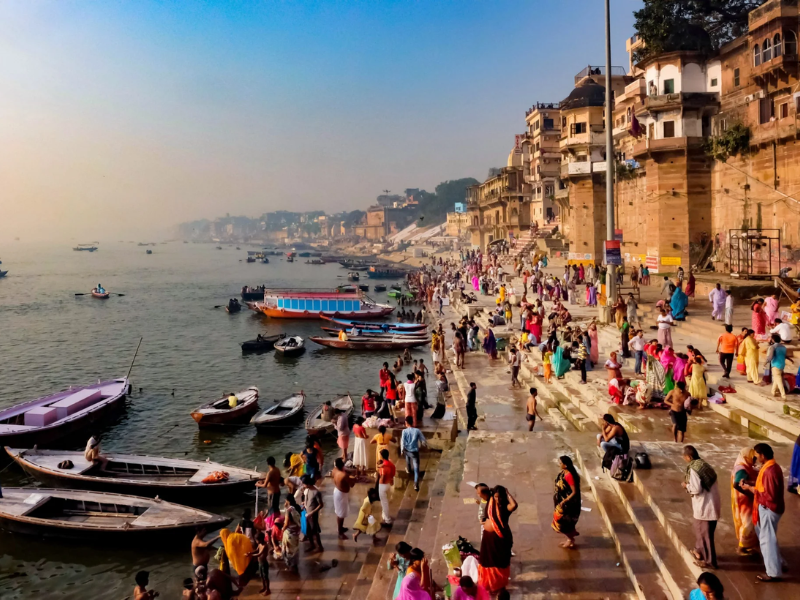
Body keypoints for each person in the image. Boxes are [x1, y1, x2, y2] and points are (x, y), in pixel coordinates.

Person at [740, 443, 785, 582]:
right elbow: (763, 486)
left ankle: (773, 573)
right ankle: (779, 564)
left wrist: (750, 489)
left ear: (762, 456)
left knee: (767, 541)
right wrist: (750, 484)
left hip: (769, 508)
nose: (756, 458)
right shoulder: (771, 467)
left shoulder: (770, 471)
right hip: (769, 508)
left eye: (757, 455)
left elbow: (768, 495)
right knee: (769, 538)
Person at [682, 445, 720, 569]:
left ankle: (710, 561)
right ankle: (700, 551)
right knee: (706, 533)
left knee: (704, 534)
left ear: (689, 457)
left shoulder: (694, 468)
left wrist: (686, 486)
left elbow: (696, 488)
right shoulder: (704, 465)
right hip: (712, 503)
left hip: (704, 506)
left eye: (685, 457)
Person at [478, 485, 517, 594]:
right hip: (488, 539)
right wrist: (484, 521)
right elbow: (481, 490)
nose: (497, 499)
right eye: (495, 497)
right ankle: (488, 584)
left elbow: (514, 505)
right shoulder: (491, 502)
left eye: (499, 497)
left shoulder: (505, 507)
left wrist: (507, 492)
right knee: (487, 561)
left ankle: (499, 584)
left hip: (499, 539)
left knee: (499, 562)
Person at [731, 447, 759, 555]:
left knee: (748, 522)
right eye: (753, 458)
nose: (754, 461)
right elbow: (737, 484)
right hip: (744, 501)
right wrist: (749, 493)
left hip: (743, 499)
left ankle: (749, 545)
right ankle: (741, 548)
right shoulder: (741, 469)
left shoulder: (743, 465)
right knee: (747, 523)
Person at [552, 455, 581, 549]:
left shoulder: (569, 476)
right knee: (565, 522)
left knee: (562, 523)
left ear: (565, 465)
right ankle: (571, 535)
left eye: (561, 463)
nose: (559, 464)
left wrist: (565, 500)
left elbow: (574, 492)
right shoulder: (564, 472)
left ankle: (570, 539)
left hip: (568, 504)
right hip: (561, 501)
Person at [401, 416, 428, 492]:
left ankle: (409, 469)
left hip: (407, 450)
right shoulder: (417, 431)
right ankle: (416, 483)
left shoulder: (404, 432)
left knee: (407, 459)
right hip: (414, 452)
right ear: (412, 422)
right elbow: (423, 439)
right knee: (416, 469)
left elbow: (402, 442)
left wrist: (402, 450)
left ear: (406, 423)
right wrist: (424, 444)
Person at [332, 458, 355, 540]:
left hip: (337, 491)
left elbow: (345, 471)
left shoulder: (334, 470)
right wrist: (355, 478)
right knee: (340, 514)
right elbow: (352, 484)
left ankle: (341, 528)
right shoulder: (343, 475)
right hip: (341, 495)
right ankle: (340, 532)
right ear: (342, 465)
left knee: (340, 512)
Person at [302, 475, 324, 552]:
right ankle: (312, 545)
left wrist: (312, 512)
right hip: (307, 514)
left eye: (304, 484)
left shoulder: (316, 492)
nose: (303, 485)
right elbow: (307, 500)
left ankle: (320, 547)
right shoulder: (307, 490)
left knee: (315, 531)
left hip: (313, 515)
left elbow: (321, 505)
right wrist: (304, 505)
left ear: (308, 484)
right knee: (308, 531)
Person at [247, 532, 271, 596]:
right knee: (261, 576)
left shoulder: (265, 545)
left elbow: (259, 554)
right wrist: (250, 553)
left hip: (264, 563)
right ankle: (264, 587)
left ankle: (268, 589)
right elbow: (257, 550)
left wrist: (251, 555)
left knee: (265, 577)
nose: (256, 541)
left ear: (261, 539)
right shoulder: (260, 544)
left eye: (257, 540)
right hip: (260, 563)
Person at [377, 448, 396, 524]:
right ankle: (384, 515)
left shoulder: (384, 467)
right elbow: (393, 473)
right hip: (389, 484)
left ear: (382, 456)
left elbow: (383, 476)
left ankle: (387, 519)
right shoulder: (390, 463)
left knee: (384, 503)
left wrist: (380, 481)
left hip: (383, 485)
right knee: (385, 501)